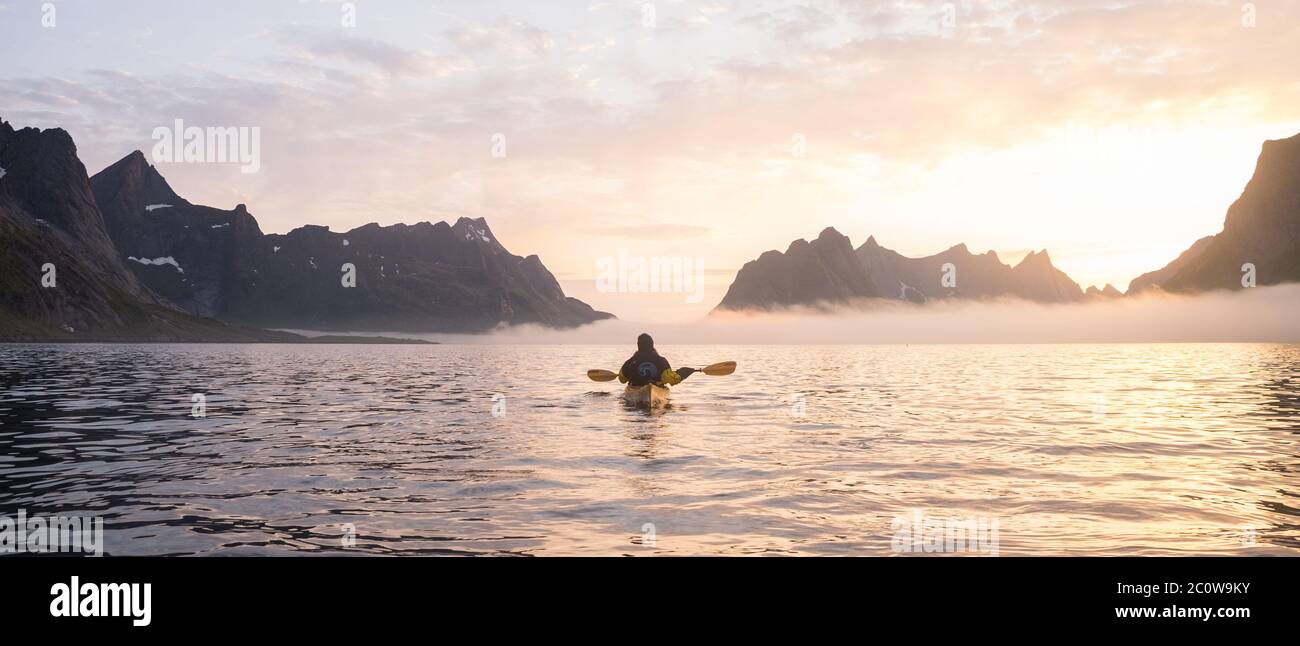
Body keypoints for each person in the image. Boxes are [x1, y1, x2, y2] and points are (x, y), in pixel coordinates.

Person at [618, 333, 695, 387]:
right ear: (652, 344)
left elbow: (622, 379)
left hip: (635, 389)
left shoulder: (630, 362)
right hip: (656, 388)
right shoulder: (661, 361)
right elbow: (672, 379)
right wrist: (683, 373)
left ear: (638, 346)